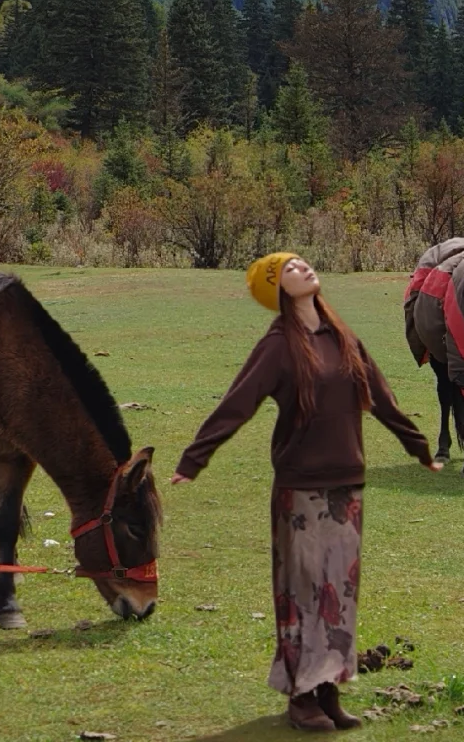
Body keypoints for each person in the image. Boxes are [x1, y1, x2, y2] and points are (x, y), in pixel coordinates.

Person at [172, 252, 441, 733]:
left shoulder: (342, 336)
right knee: (302, 594)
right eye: (289, 269)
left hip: (347, 485)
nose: (303, 269)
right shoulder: (278, 346)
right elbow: (238, 402)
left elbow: (379, 396)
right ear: (275, 289)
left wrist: (418, 447)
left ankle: (329, 691)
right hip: (301, 489)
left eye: (302, 262)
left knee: (339, 592)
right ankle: (301, 697)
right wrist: (195, 459)